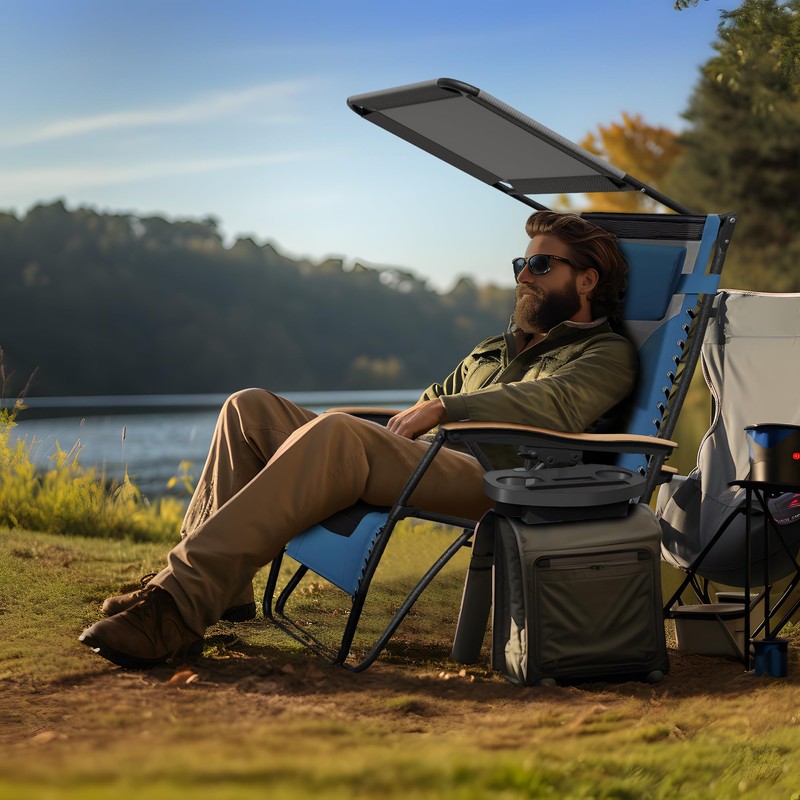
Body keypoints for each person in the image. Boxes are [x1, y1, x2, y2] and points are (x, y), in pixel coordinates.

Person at [80, 210, 637, 669]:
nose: (524, 276)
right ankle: (221, 590)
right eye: (522, 264)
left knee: (340, 434)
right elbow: (423, 405)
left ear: (586, 281)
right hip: (429, 458)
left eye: (541, 264)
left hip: (501, 477)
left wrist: (446, 408)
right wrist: (413, 414)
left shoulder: (606, 352)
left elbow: (556, 405)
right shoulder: (495, 347)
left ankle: (175, 607)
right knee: (248, 408)